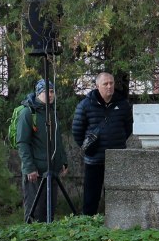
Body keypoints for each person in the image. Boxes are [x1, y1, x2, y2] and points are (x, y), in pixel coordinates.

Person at [71, 71, 135, 216]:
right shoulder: (85, 105)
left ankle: (116, 224)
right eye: (105, 84)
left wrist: (117, 142)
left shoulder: (122, 104)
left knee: (116, 197)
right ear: (97, 86)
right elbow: (77, 131)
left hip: (117, 158)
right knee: (91, 198)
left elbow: (128, 127)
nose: (109, 86)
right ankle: (88, 227)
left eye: (111, 83)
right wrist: (89, 149)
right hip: (94, 159)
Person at [15, 78, 64, 223]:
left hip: (52, 170)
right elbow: (22, 142)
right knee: (33, 211)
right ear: (38, 93)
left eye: (51, 91)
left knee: (49, 211)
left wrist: (63, 161)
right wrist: (30, 167)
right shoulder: (28, 113)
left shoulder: (53, 112)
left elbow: (57, 139)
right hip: (35, 173)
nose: (49, 95)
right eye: (45, 92)